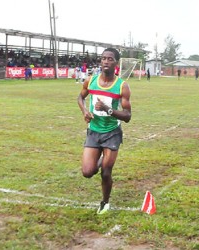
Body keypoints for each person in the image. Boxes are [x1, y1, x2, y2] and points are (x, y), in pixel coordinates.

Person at [77, 48, 132, 215]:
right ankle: (100, 159)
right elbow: (80, 97)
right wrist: (85, 111)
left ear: (116, 63)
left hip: (112, 132)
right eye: (103, 59)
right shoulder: (90, 81)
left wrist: (109, 110)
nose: (106, 61)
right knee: (87, 172)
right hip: (94, 131)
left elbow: (128, 116)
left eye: (110, 59)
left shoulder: (122, 86)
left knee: (106, 172)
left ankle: (105, 202)